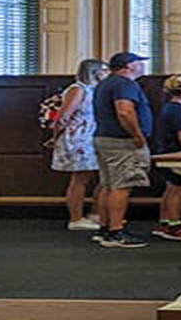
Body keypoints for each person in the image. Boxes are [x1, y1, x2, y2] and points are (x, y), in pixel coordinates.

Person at [90, 51, 154, 248]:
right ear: (128, 66)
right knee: (122, 185)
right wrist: (137, 135)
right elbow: (125, 111)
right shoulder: (125, 84)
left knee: (108, 185)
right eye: (139, 63)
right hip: (122, 141)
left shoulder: (105, 83)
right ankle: (116, 232)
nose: (143, 66)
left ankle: (105, 227)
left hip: (104, 138)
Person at [49, 59, 109, 231]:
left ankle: (96, 213)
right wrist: (55, 137)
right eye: (104, 70)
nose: (106, 73)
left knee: (102, 177)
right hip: (79, 138)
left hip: (94, 137)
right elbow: (63, 117)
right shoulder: (78, 89)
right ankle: (76, 218)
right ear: (94, 71)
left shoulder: (97, 90)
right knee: (80, 178)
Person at [152, 74, 181, 241]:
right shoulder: (179, 109)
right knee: (179, 189)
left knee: (171, 188)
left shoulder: (168, 107)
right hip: (174, 152)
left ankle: (165, 222)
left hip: (164, 150)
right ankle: (175, 225)